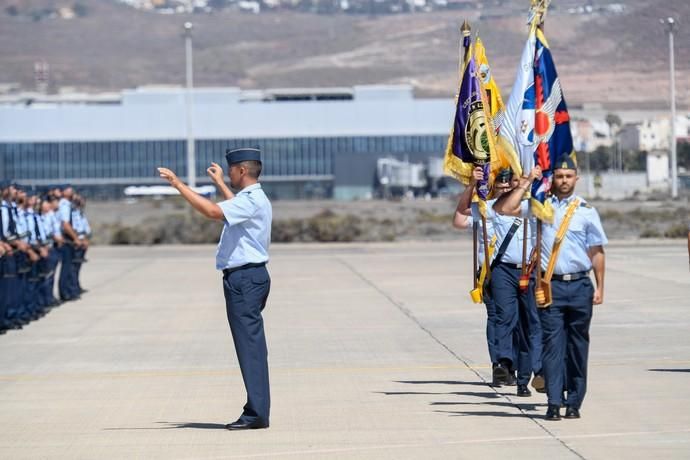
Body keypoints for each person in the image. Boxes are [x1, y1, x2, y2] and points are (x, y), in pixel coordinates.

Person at [158, 146, 273, 431]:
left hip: (244, 279)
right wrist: (220, 183)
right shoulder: (253, 198)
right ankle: (256, 409)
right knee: (251, 346)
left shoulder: (252, 199)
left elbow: (211, 211)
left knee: (250, 348)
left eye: (231, 170)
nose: (230, 173)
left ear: (242, 170)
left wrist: (177, 184)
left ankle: (257, 413)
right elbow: (232, 207)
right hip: (249, 277)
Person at [495, 154, 607, 421]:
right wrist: (526, 182)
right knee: (552, 347)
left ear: (576, 179)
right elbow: (503, 209)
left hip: (580, 285)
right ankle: (554, 402)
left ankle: (575, 401)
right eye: (559, 176)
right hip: (551, 286)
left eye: (568, 176)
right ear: (552, 178)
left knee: (577, 347)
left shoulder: (586, 211)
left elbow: (597, 252)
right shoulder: (540, 207)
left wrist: (601, 286)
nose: (564, 180)